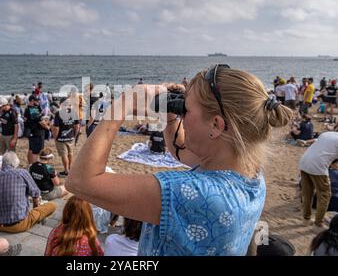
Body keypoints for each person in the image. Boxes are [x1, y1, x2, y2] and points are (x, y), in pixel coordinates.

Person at [66, 65, 293, 255]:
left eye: (187, 111)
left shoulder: (188, 192)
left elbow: (80, 181)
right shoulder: (250, 174)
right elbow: (181, 151)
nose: (184, 114)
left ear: (216, 125)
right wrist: (172, 113)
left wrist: (122, 105)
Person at [0, 152, 57, 233]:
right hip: (19, 225)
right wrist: (36, 208)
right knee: (52, 205)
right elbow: (36, 194)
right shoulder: (22, 173)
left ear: (2, 164)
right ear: (16, 163)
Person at [299, 132, 338, 228]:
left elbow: (316, 143)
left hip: (304, 162)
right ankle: (318, 223)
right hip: (318, 166)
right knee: (325, 194)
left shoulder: (328, 134)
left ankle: (306, 219)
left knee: (307, 193)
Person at [51, 102, 80, 177]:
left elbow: (56, 128)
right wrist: (75, 135)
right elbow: (77, 126)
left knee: (64, 154)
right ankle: (70, 168)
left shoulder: (59, 113)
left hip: (61, 137)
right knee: (70, 153)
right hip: (70, 137)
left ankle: (66, 171)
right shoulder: (74, 112)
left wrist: (55, 137)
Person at [24, 95, 50, 164]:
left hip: (32, 132)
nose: (38, 102)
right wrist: (48, 128)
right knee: (36, 152)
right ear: (32, 101)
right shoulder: (33, 110)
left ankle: (30, 165)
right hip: (37, 133)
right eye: (37, 101)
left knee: (31, 150)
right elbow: (41, 122)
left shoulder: (27, 108)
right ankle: (33, 167)